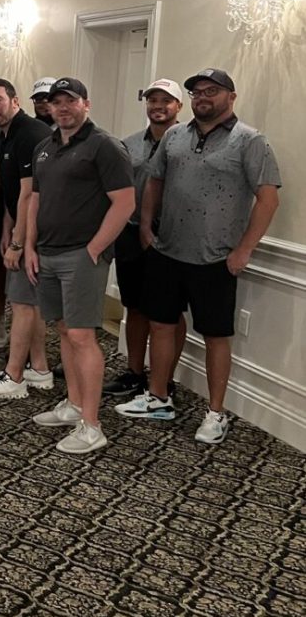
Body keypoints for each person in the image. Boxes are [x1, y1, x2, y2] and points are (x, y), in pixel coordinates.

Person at [132, 68, 281, 444]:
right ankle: (159, 397)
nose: (202, 97)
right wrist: (147, 227)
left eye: (211, 91)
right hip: (167, 251)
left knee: (216, 336)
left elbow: (268, 198)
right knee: (162, 325)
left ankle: (216, 413)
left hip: (216, 258)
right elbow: (156, 181)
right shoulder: (176, 136)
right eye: (197, 91)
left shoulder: (250, 141)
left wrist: (244, 250)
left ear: (231, 96)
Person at [25, 77, 134, 455]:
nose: (62, 108)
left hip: (82, 256)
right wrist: (29, 246)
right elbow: (35, 202)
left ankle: (92, 424)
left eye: (70, 101)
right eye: (56, 102)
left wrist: (96, 248)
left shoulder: (105, 146)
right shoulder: (44, 147)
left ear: (85, 104)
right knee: (65, 331)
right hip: (47, 252)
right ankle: (73, 405)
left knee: (83, 335)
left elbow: (124, 203)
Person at [0, 78, 56, 400]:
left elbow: (29, 196)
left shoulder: (31, 134)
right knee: (28, 303)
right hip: (23, 227)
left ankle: (14, 376)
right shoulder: (6, 135)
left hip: (39, 231)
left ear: (15, 101)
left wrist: (20, 242)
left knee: (22, 303)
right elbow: (10, 193)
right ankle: (41, 369)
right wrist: (7, 229)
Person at [104, 79, 185, 401]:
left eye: (166, 100)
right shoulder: (128, 144)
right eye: (153, 100)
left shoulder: (188, 142)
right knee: (134, 307)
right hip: (131, 235)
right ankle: (135, 373)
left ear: (179, 106)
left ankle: (165, 379)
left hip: (174, 238)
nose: (158, 106)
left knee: (168, 313)